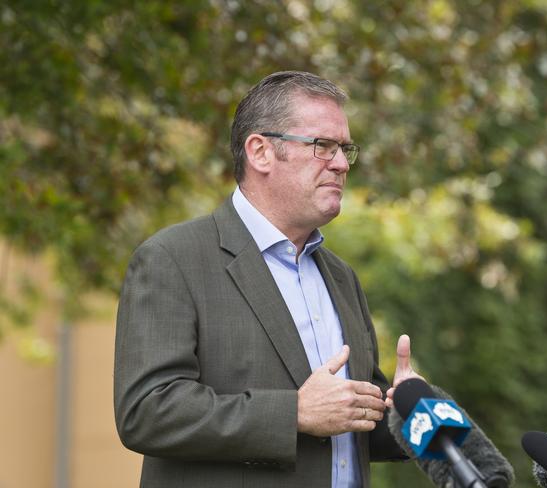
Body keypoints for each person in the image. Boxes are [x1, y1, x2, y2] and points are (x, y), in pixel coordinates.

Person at [114, 71, 421, 488]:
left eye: (345, 148)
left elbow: (354, 421)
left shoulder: (341, 277)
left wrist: (407, 411)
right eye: (322, 146)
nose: (341, 163)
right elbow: (148, 412)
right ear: (260, 152)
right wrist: (293, 412)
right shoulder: (172, 259)